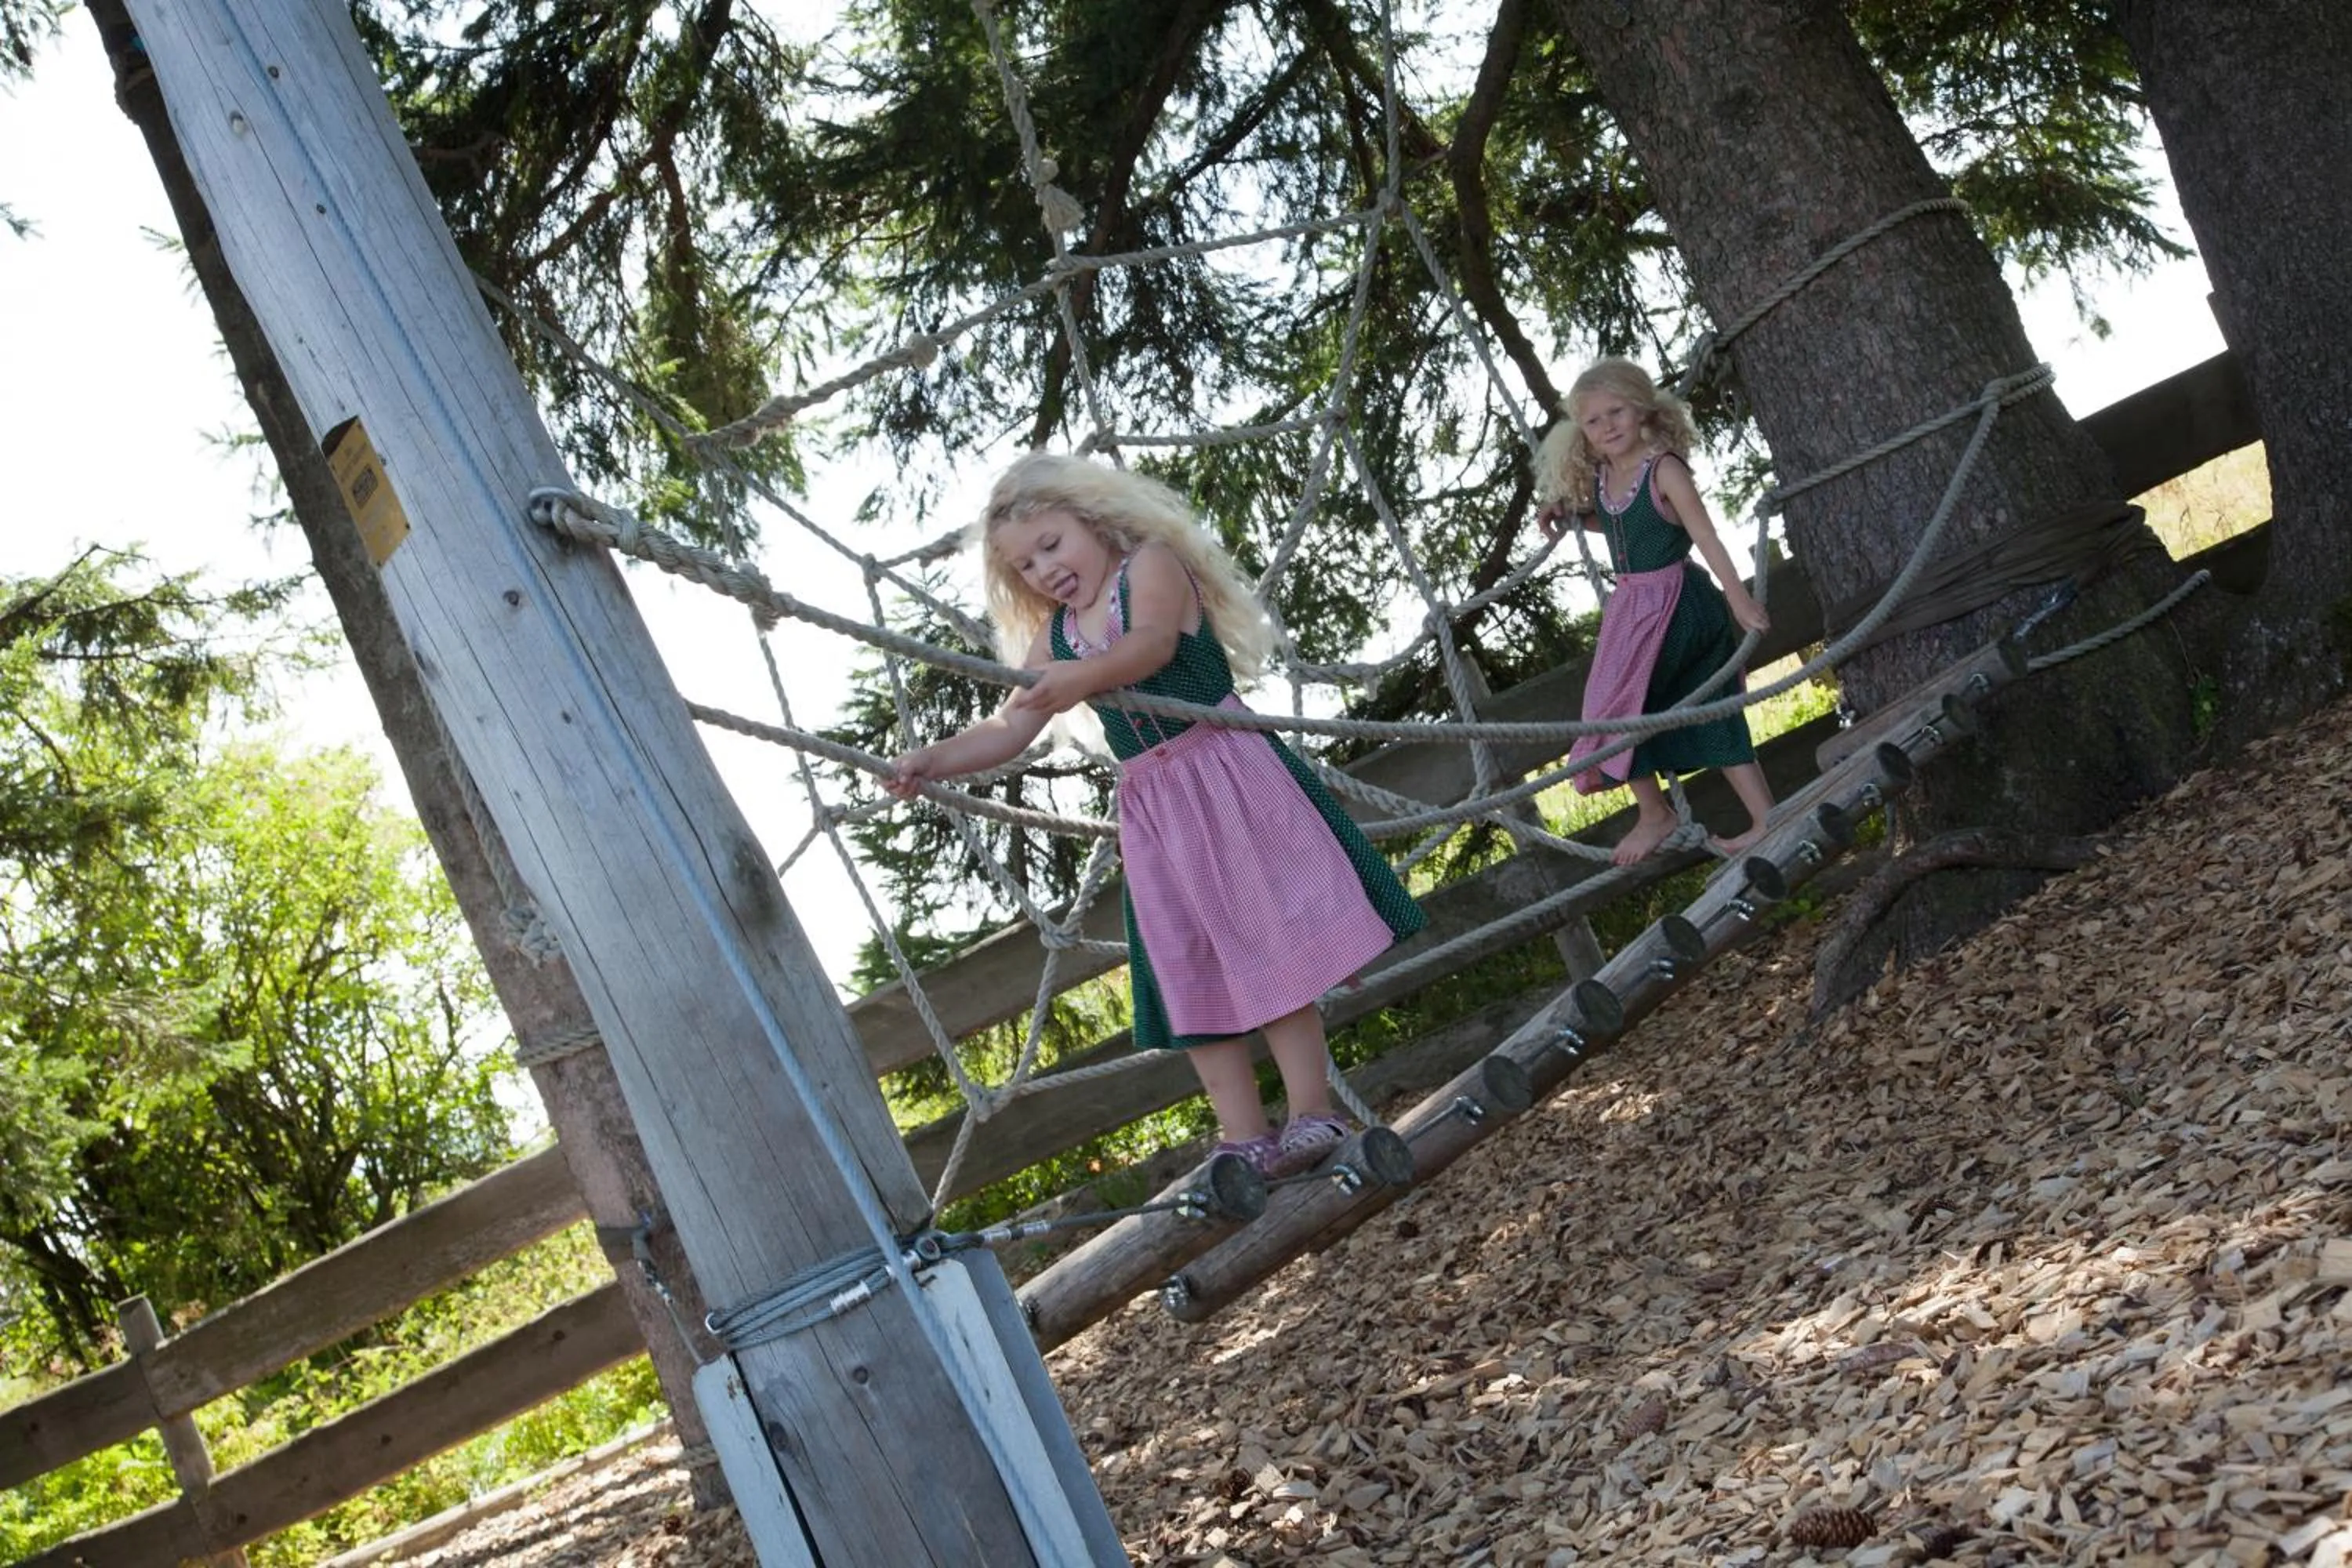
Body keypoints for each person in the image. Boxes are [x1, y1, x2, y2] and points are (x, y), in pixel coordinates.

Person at [887, 452, 1426, 1178]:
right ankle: (1244, 1135)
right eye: (1026, 565)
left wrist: (1071, 679)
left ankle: (1311, 1112)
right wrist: (932, 758)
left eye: (1052, 544)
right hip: (1157, 810)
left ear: (1097, 520)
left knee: (1269, 949)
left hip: (1224, 776)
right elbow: (1009, 728)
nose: (1044, 570)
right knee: (1190, 967)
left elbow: (1151, 648)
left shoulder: (1150, 566)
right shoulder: (1060, 634)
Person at [1534, 358, 1774, 864]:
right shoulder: (1604, 476)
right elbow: (1622, 520)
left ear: (1641, 406)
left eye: (1616, 412)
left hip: (1678, 604)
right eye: (1593, 421)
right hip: (1635, 609)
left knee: (1618, 704)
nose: (1607, 427)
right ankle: (1763, 818)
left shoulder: (1663, 468)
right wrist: (1572, 513)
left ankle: (1656, 814)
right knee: (1692, 707)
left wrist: (1739, 599)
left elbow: (1704, 534)